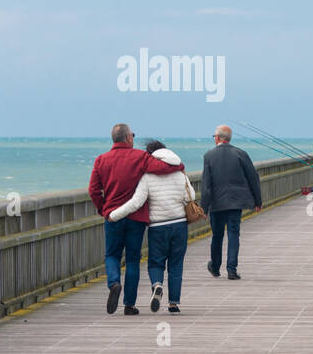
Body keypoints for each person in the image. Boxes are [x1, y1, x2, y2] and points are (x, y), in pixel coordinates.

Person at [88, 122, 184, 315]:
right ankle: (129, 305)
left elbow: (93, 190)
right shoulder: (140, 157)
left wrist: (103, 209)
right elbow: (162, 168)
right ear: (128, 138)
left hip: (113, 216)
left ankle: (114, 283)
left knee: (112, 255)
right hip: (136, 218)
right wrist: (179, 166)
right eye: (132, 134)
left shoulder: (101, 160)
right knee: (132, 260)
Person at [108, 140, 196, 314]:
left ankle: (157, 285)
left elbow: (136, 202)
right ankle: (173, 303)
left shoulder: (147, 176)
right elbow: (191, 196)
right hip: (179, 224)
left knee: (156, 262)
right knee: (176, 264)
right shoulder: (180, 173)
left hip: (158, 226)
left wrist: (114, 215)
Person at [201, 125, 262, 280]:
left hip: (217, 203)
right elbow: (253, 178)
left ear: (218, 138)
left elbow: (206, 185)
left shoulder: (209, 156)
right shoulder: (241, 154)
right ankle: (231, 270)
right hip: (236, 202)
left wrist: (204, 208)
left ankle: (215, 267)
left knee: (217, 235)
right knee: (234, 234)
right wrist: (258, 201)